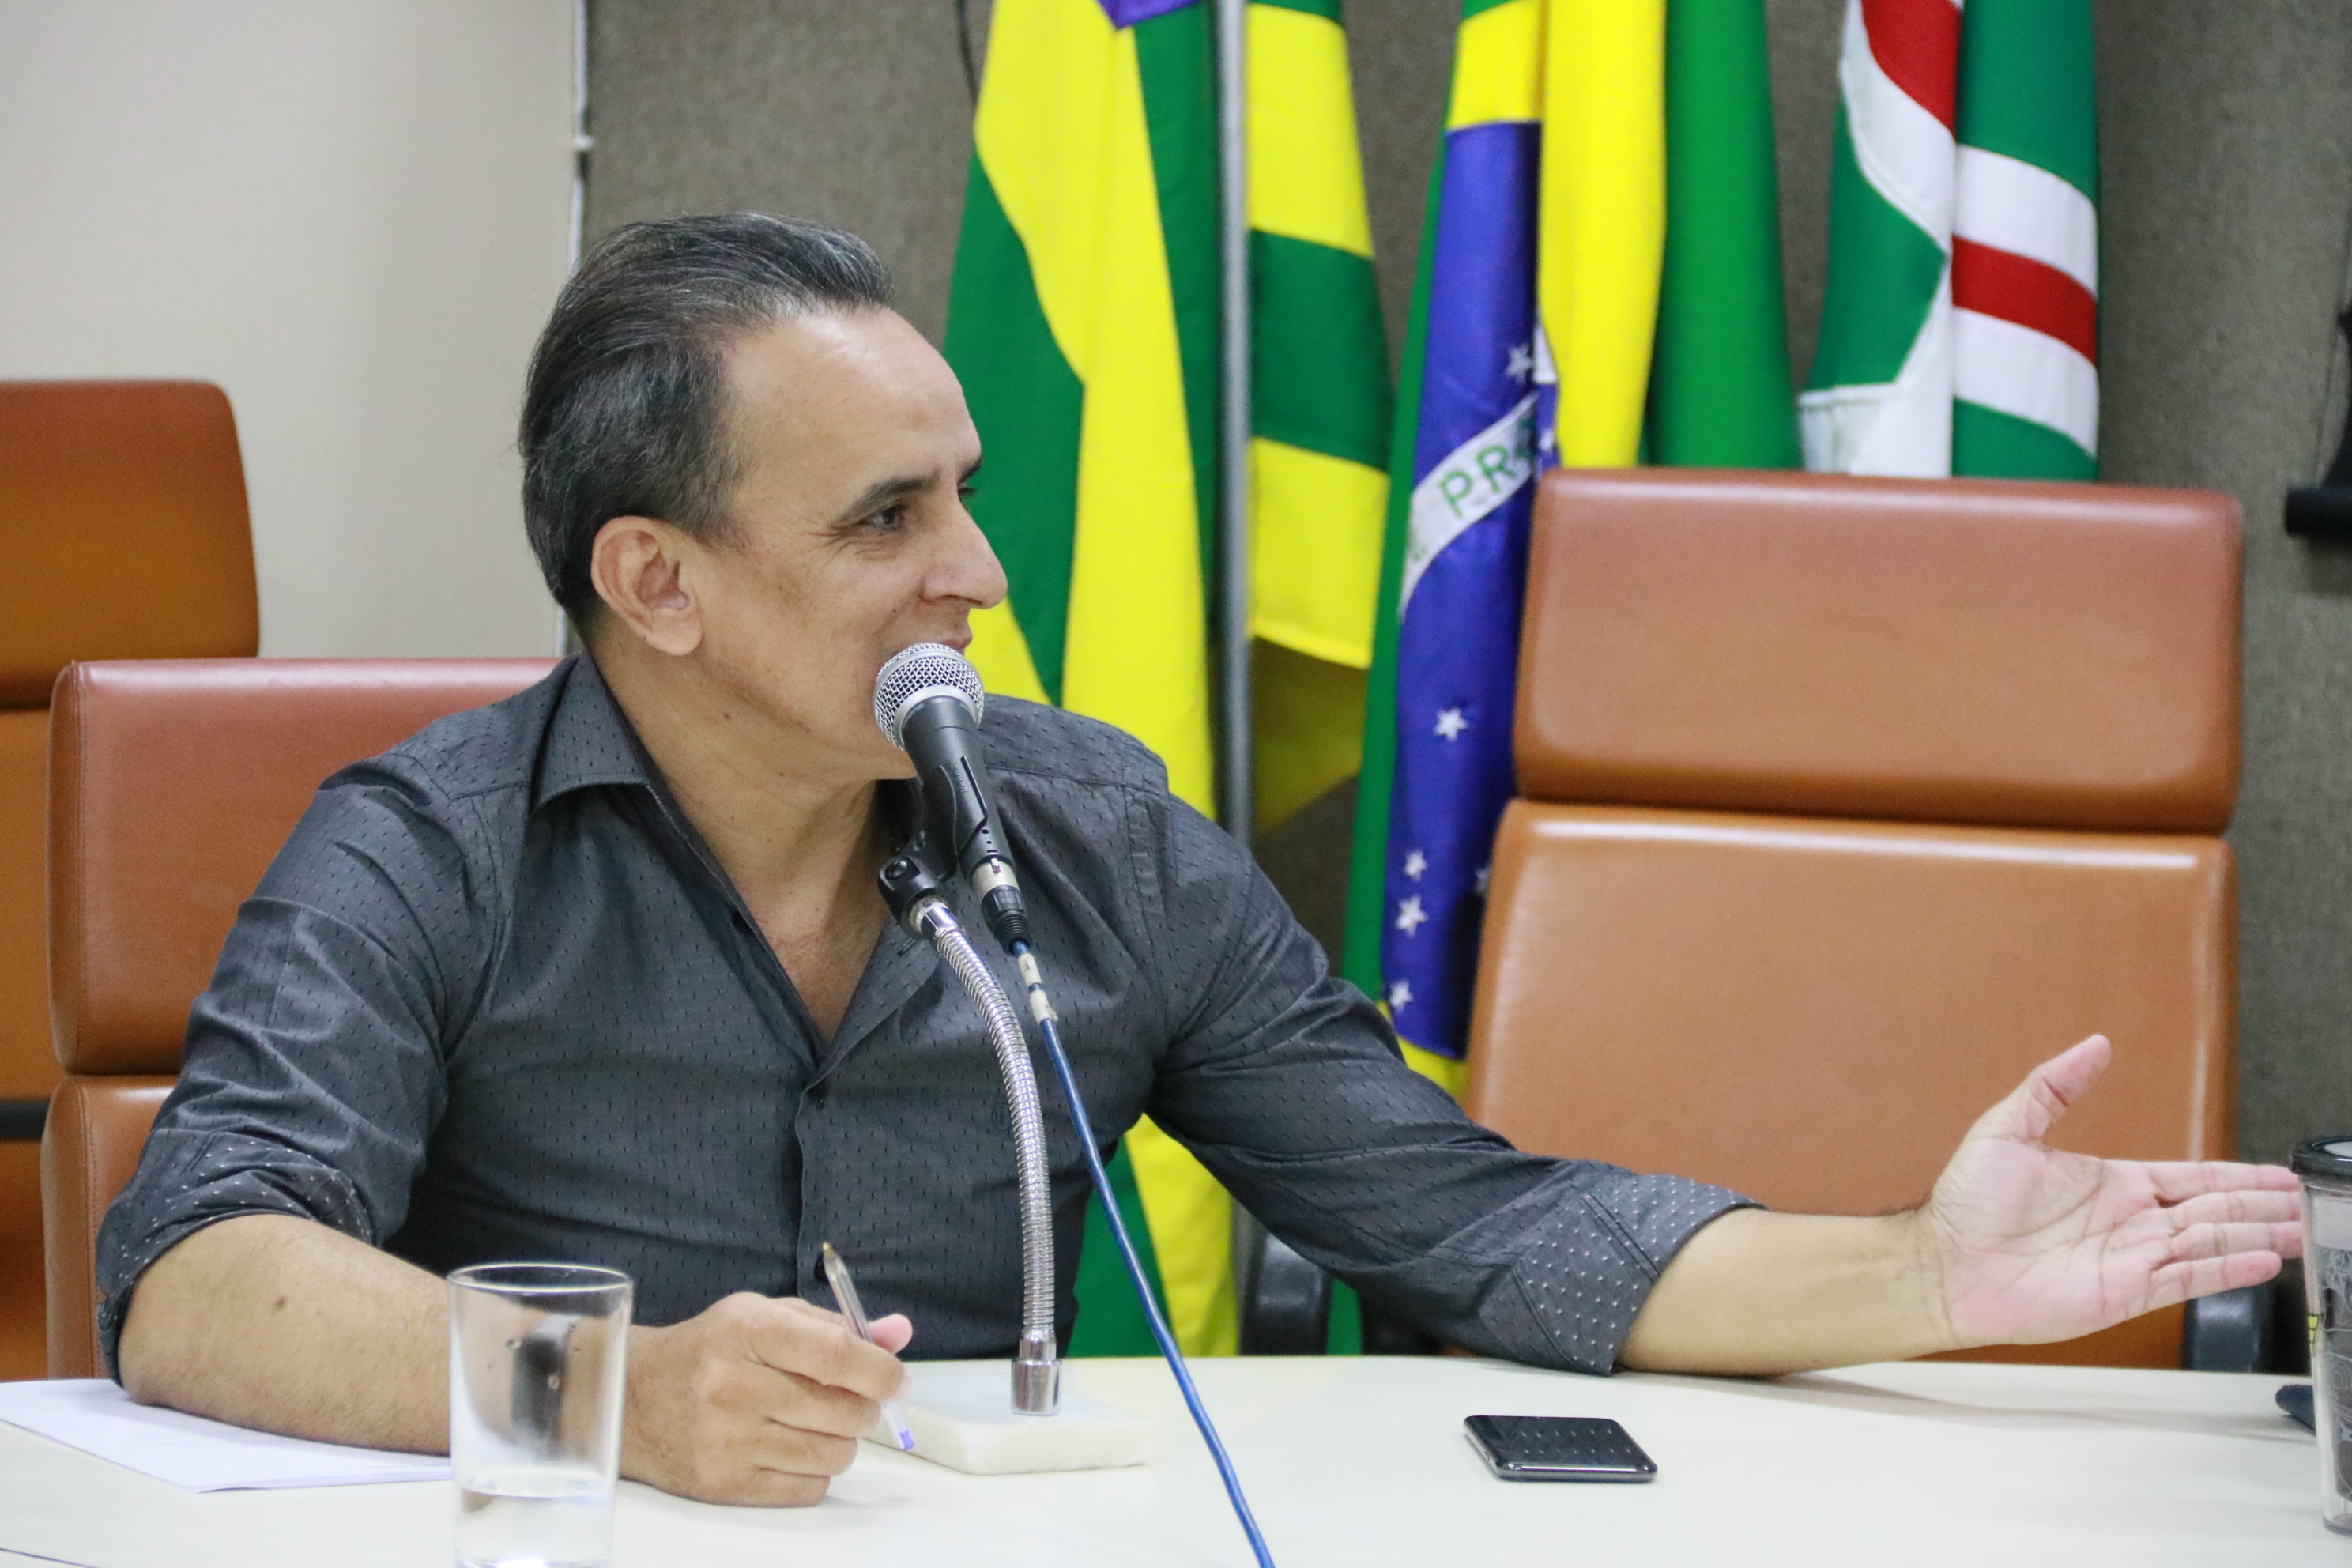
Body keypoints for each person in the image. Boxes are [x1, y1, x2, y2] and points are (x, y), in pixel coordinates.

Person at [104, 214, 2301, 1508]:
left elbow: (1471, 1226)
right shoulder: (431, 850)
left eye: (964, 493)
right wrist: (625, 1397)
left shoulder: (1089, 833)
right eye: (884, 521)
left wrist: (1922, 1274)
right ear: (655, 581)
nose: (977, 570)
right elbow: (197, 1272)